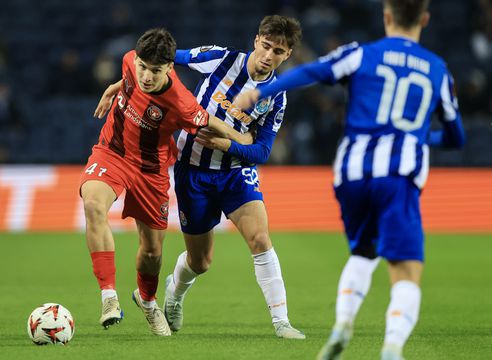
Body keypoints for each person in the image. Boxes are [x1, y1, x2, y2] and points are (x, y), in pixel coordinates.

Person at [236, 1, 465, 359]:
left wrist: (259, 92)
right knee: (406, 268)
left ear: (386, 16)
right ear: (424, 19)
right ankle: (392, 347)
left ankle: (343, 323)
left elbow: (311, 71)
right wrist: (421, 137)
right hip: (398, 174)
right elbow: (456, 138)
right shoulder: (438, 69)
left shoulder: (360, 54)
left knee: (363, 251)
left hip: (351, 173)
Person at [96, 15, 305, 340]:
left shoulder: (276, 95)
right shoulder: (219, 58)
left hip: (236, 173)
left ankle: (282, 322)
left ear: (288, 54)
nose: (268, 56)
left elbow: (263, 152)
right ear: (256, 40)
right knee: (200, 260)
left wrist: (227, 144)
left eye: (278, 51)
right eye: (266, 46)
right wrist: (126, 82)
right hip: (193, 172)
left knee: (261, 239)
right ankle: (174, 294)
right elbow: (162, 58)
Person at [81, 28, 251, 337]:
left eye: (155, 71)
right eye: (143, 67)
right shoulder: (131, 61)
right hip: (112, 152)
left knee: (152, 253)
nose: (146, 75)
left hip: (151, 170)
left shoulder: (182, 104)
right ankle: (108, 297)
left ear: (170, 67)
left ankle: (147, 300)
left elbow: (207, 121)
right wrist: (115, 86)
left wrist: (240, 137)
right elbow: (130, 78)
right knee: (93, 204)